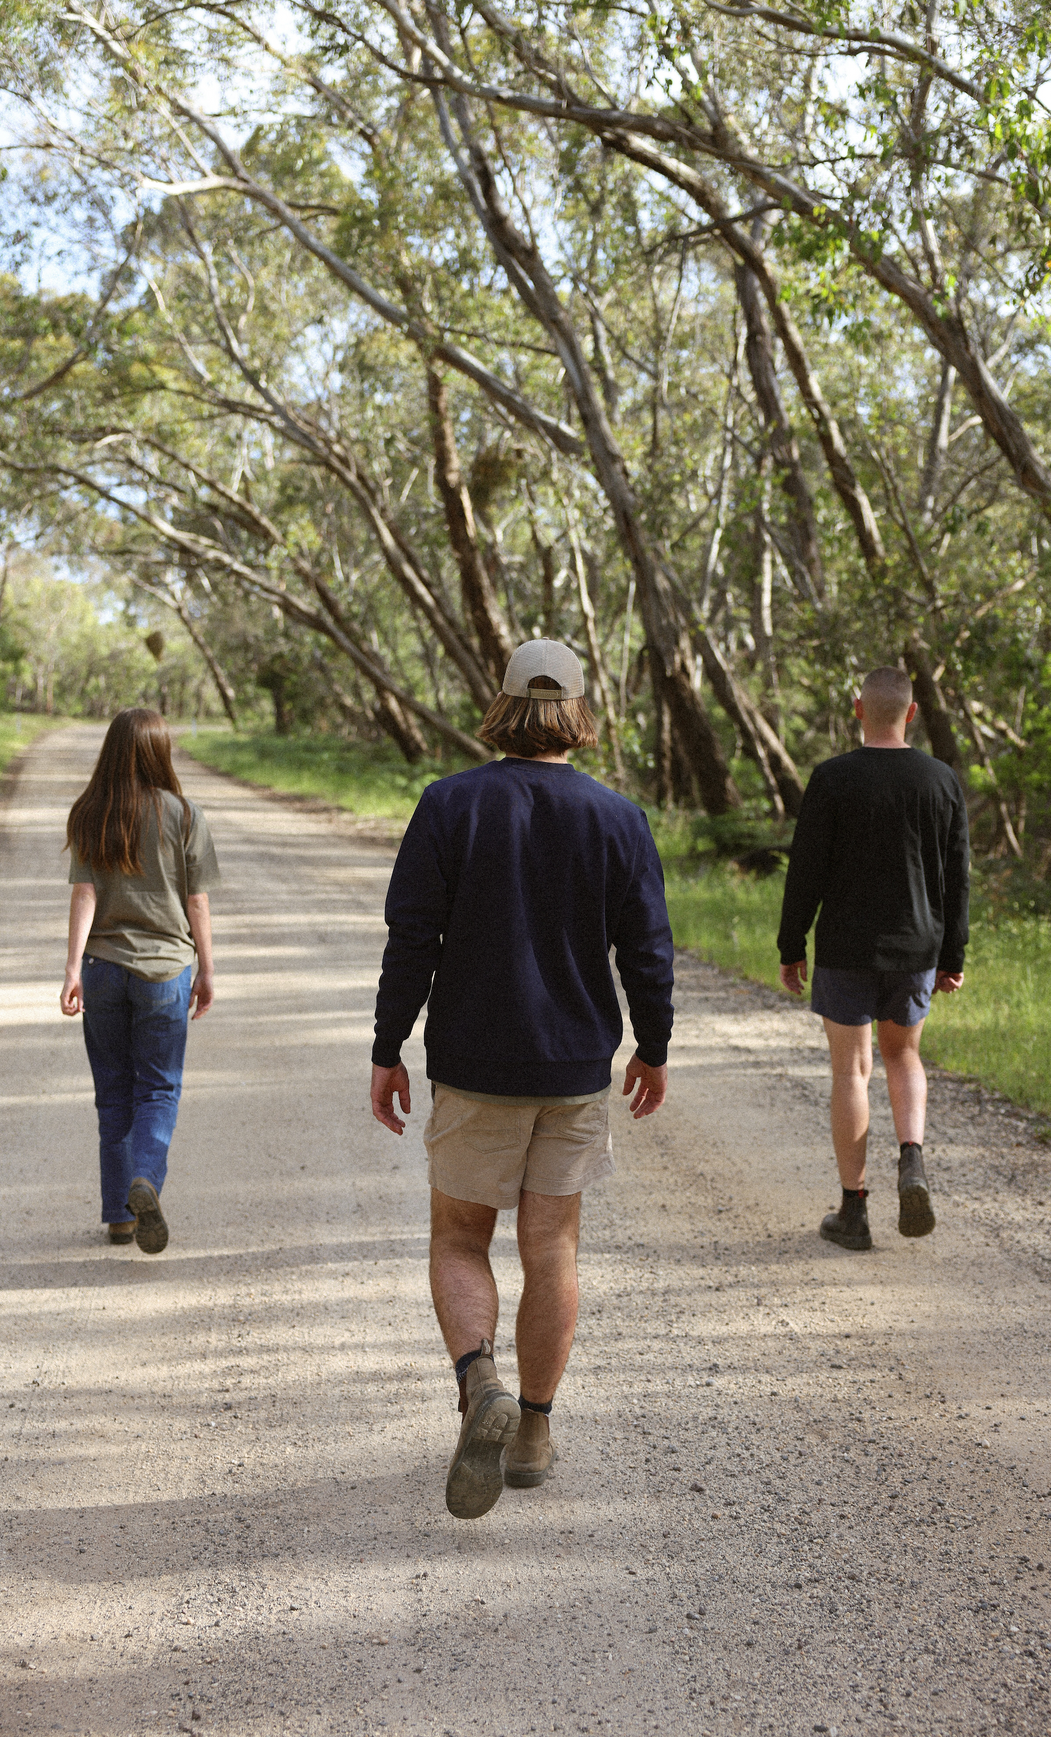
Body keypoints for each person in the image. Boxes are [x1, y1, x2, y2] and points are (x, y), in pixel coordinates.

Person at [369, 638, 673, 1521]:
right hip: (575, 1070)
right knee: (552, 1247)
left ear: (503, 703)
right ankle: (534, 1429)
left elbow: (410, 941)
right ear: (577, 710)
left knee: (461, 1238)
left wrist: (388, 1046)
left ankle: (480, 1384)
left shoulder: (449, 804)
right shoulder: (618, 817)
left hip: (473, 1067)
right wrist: (652, 1046)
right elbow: (645, 949)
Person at [776, 666, 968, 1251]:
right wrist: (952, 953)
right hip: (917, 945)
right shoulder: (941, 781)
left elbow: (805, 868)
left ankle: (854, 1210)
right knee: (903, 1057)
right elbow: (956, 879)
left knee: (851, 1071)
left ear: (858, 708)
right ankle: (912, 1160)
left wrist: (792, 945)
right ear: (910, 713)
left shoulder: (832, 778)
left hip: (845, 948)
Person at [60, 708, 220, 1254]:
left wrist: (72, 969)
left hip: (103, 970)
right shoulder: (185, 814)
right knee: (157, 1087)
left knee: (113, 1094)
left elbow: (84, 895)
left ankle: (119, 1218)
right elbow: (196, 900)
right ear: (159, 752)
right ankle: (145, 1179)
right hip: (164, 971)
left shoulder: (90, 813)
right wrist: (207, 968)